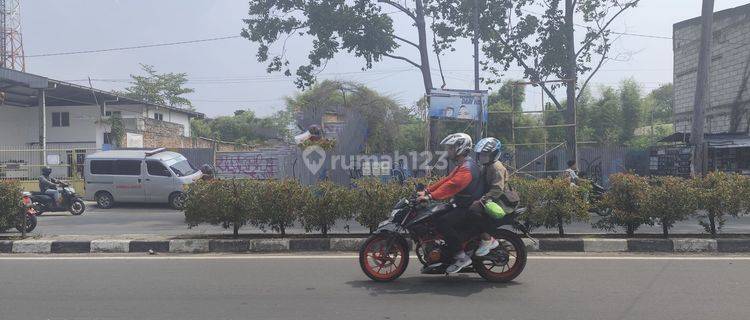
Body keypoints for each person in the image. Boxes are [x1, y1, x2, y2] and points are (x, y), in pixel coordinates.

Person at [417, 133, 484, 274]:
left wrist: (430, 196)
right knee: (435, 216)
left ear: (460, 148)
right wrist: (427, 191)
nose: (448, 151)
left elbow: (452, 186)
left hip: (468, 207)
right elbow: (446, 180)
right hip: (461, 204)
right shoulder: (463, 164)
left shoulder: (467, 168)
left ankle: (461, 257)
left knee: (443, 222)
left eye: (451, 148)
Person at [469, 137, 509, 257]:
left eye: (485, 154)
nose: (482, 156)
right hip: (489, 199)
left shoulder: (497, 167)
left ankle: (487, 239)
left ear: (494, 154)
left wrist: (482, 200)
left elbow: (497, 189)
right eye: (481, 154)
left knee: (471, 213)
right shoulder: (487, 166)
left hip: (498, 201)